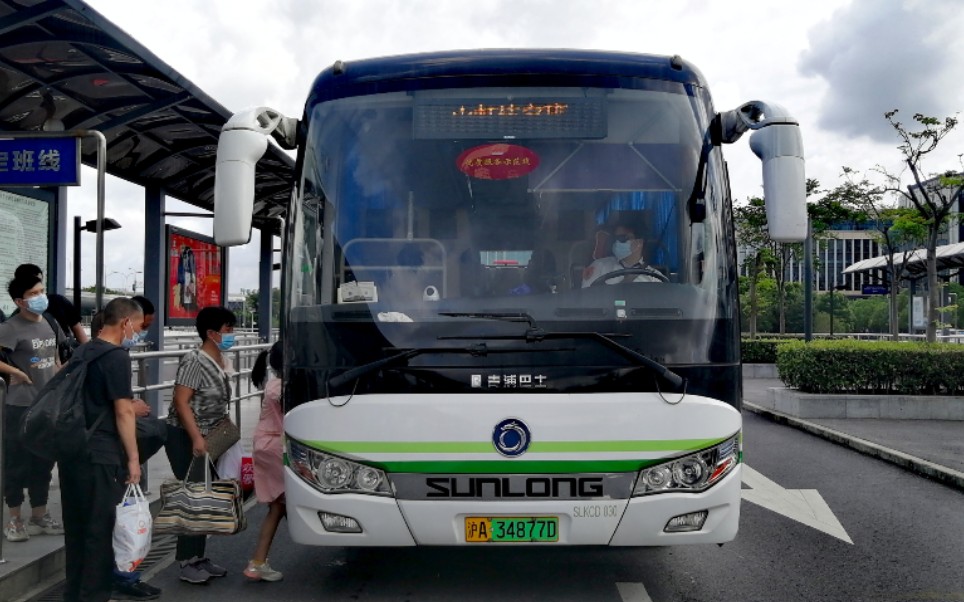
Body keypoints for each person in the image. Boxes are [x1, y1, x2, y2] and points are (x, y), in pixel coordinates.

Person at [59, 297, 143, 602]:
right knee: (99, 530)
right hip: (101, 453)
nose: (136, 332)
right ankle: (93, 595)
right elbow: (124, 411)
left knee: (77, 529)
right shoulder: (116, 357)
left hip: (72, 451)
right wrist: (133, 459)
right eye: (137, 326)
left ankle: (74, 593)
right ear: (124, 323)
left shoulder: (82, 351)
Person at [165, 305, 237, 584]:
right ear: (211, 332)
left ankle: (198, 557)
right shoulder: (195, 360)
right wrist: (196, 437)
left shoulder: (218, 357)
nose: (232, 334)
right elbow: (180, 402)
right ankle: (186, 561)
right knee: (193, 499)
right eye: (227, 329)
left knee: (205, 497)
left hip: (210, 438)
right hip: (187, 438)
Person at [0, 275, 65, 542]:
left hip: (47, 405)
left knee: (43, 462)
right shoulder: (10, 328)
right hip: (19, 405)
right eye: (33, 293)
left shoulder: (51, 323)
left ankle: (39, 516)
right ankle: (14, 520)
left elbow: (57, 357)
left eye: (41, 291)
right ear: (19, 301)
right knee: (16, 463)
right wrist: (15, 372)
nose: (41, 296)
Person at [243, 342, 285, 582]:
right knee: (284, 503)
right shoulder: (282, 389)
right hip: (276, 447)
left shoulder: (272, 384)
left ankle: (258, 562)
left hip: (266, 446)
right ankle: (257, 562)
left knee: (278, 506)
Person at [14, 263, 90, 345]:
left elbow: (79, 332)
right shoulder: (16, 317)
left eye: (40, 282)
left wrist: (86, 355)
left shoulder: (58, 301)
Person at [581, 219, 665, 288]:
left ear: (639, 242)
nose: (617, 242)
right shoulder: (599, 267)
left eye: (623, 238)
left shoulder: (654, 278)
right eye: (616, 238)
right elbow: (586, 302)